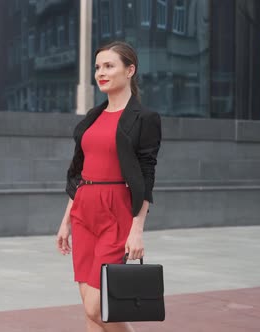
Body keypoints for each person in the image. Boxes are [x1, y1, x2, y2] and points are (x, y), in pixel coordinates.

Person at [56, 41, 162, 332]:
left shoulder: (145, 119)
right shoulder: (91, 118)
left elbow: (146, 177)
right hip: (83, 212)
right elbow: (78, 174)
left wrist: (137, 230)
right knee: (90, 313)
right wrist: (65, 221)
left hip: (115, 212)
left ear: (130, 70)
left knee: (98, 307)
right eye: (98, 67)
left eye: (109, 66)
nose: (101, 73)